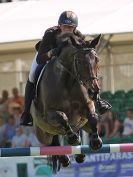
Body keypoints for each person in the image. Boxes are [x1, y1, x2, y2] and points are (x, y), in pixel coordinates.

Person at [20, 11, 111, 126]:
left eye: (71, 27)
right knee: (33, 75)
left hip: (68, 64)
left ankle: (98, 100)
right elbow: (40, 59)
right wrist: (53, 52)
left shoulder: (78, 35)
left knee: (86, 70)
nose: (68, 30)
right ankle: (26, 113)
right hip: (46, 57)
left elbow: (83, 53)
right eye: (65, 27)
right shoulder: (50, 33)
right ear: (60, 26)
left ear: (75, 28)